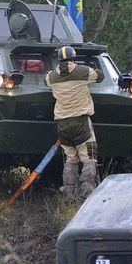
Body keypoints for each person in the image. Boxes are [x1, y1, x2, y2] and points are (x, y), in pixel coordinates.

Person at [44, 46, 105, 197]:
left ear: (59, 60)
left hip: (62, 124)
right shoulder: (82, 71)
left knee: (71, 158)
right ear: (73, 58)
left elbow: (45, 81)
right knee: (89, 157)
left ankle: (69, 192)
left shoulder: (52, 76)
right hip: (81, 122)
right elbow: (100, 76)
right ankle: (87, 192)